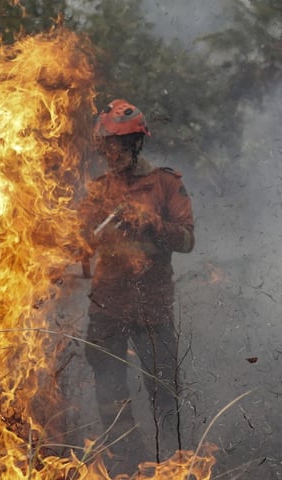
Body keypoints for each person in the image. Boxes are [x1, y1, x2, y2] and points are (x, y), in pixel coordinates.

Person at [77, 99, 195, 472]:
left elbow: (188, 240)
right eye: (108, 147)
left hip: (152, 307)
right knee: (111, 395)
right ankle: (128, 467)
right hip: (107, 307)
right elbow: (79, 243)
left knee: (165, 393)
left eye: (122, 146)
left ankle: (172, 467)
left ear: (137, 145)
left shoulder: (165, 184)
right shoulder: (98, 191)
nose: (114, 154)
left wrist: (150, 224)